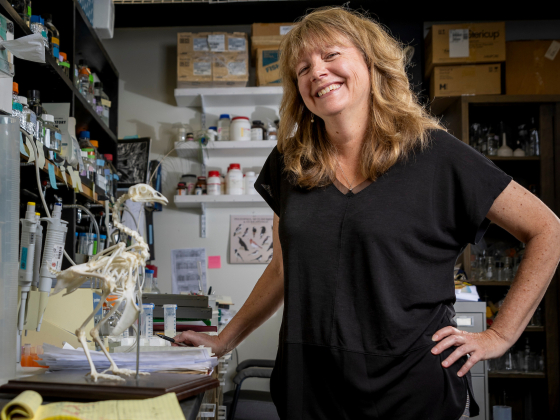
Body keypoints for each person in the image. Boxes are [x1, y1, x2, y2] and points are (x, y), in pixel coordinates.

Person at [174, 7, 560, 419]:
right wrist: (224, 340)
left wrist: (500, 335)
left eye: (331, 55)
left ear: (371, 62)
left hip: (409, 389)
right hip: (311, 388)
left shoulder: (437, 155)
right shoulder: (291, 162)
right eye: (302, 68)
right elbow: (283, 270)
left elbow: (547, 229)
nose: (316, 72)